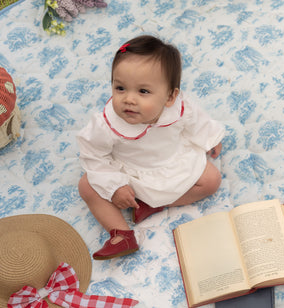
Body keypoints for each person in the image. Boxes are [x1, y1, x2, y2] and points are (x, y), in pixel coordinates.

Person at [77, 35, 225, 260]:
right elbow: (93, 155)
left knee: (212, 180)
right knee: (86, 185)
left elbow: (197, 121)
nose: (129, 99)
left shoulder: (178, 108)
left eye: (143, 91)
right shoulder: (106, 124)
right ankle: (121, 233)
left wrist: (210, 137)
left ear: (170, 96)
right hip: (129, 174)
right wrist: (114, 186)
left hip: (173, 162)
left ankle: (152, 205)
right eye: (120, 88)